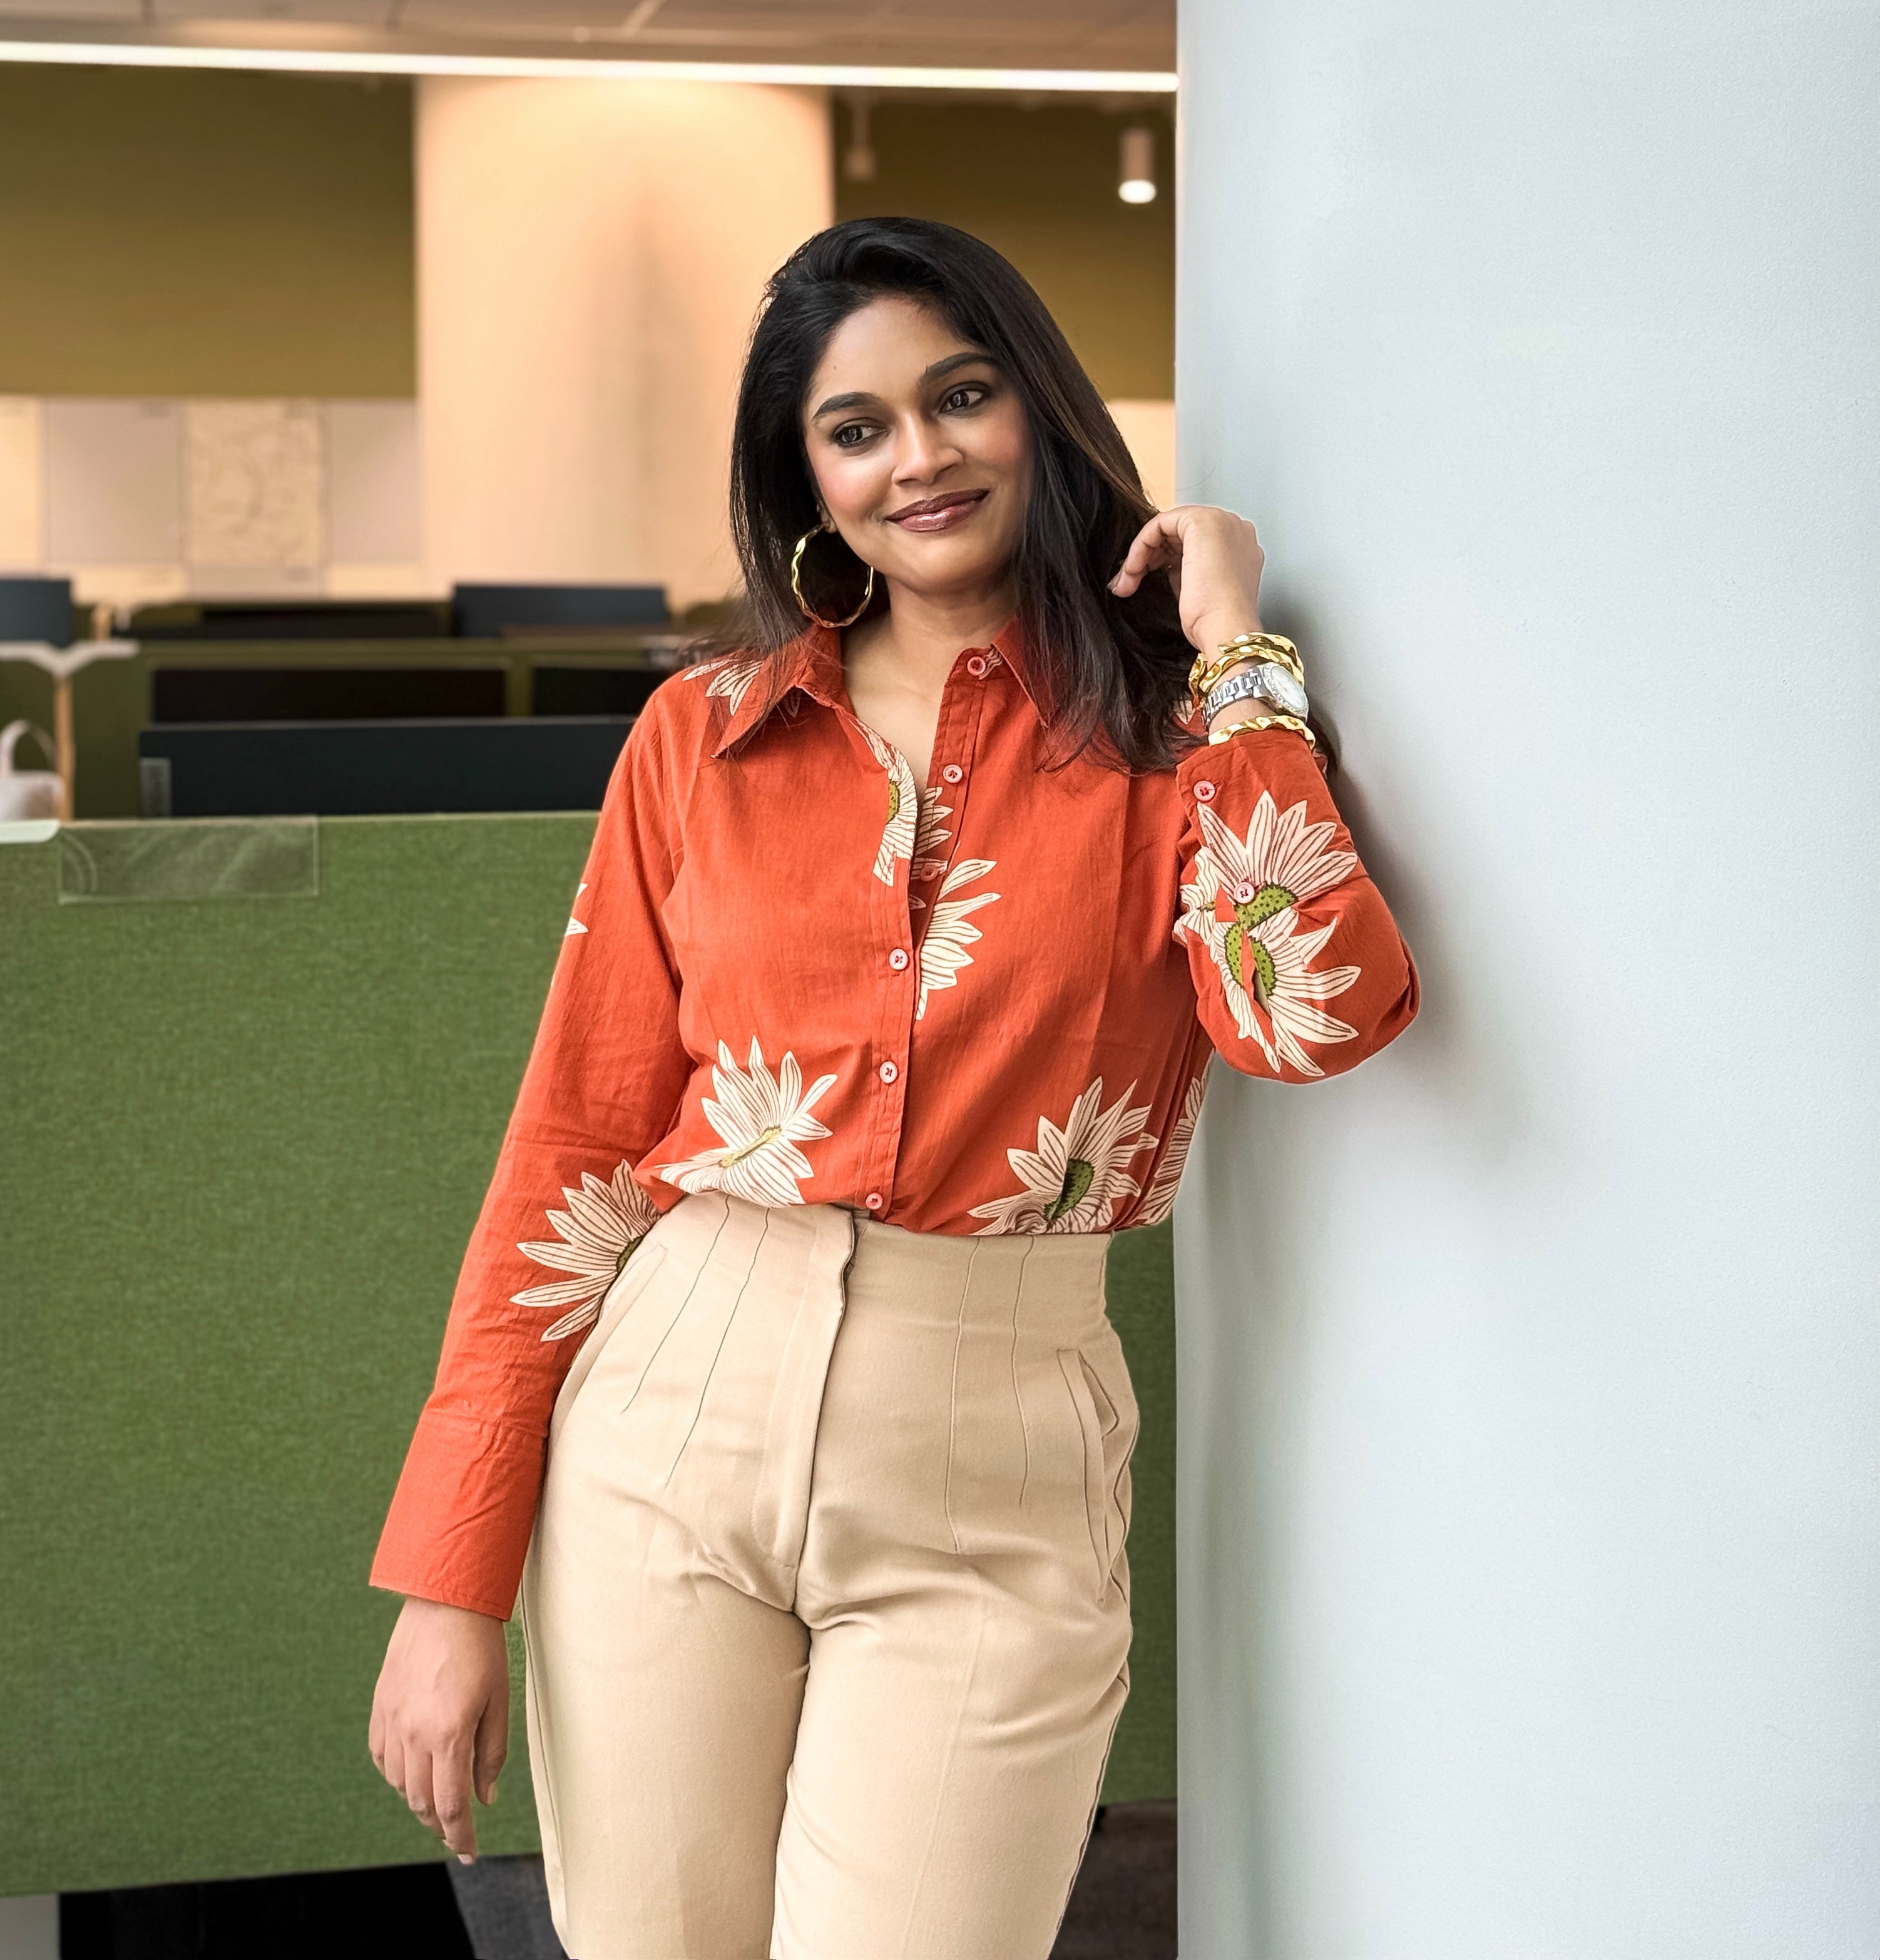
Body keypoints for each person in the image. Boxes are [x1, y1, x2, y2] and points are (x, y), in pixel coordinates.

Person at [369, 217, 1418, 1960]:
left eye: (961, 396)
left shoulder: (1174, 737)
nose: (917, 457)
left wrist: (1235, 641)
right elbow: (572, 1146)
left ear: (1042, 414)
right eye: (857, 429)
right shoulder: (701, 736)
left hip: (994, 1445)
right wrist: (449, 1579)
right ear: (807, 478)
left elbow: (1308, 1013)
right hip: (666, 1423)